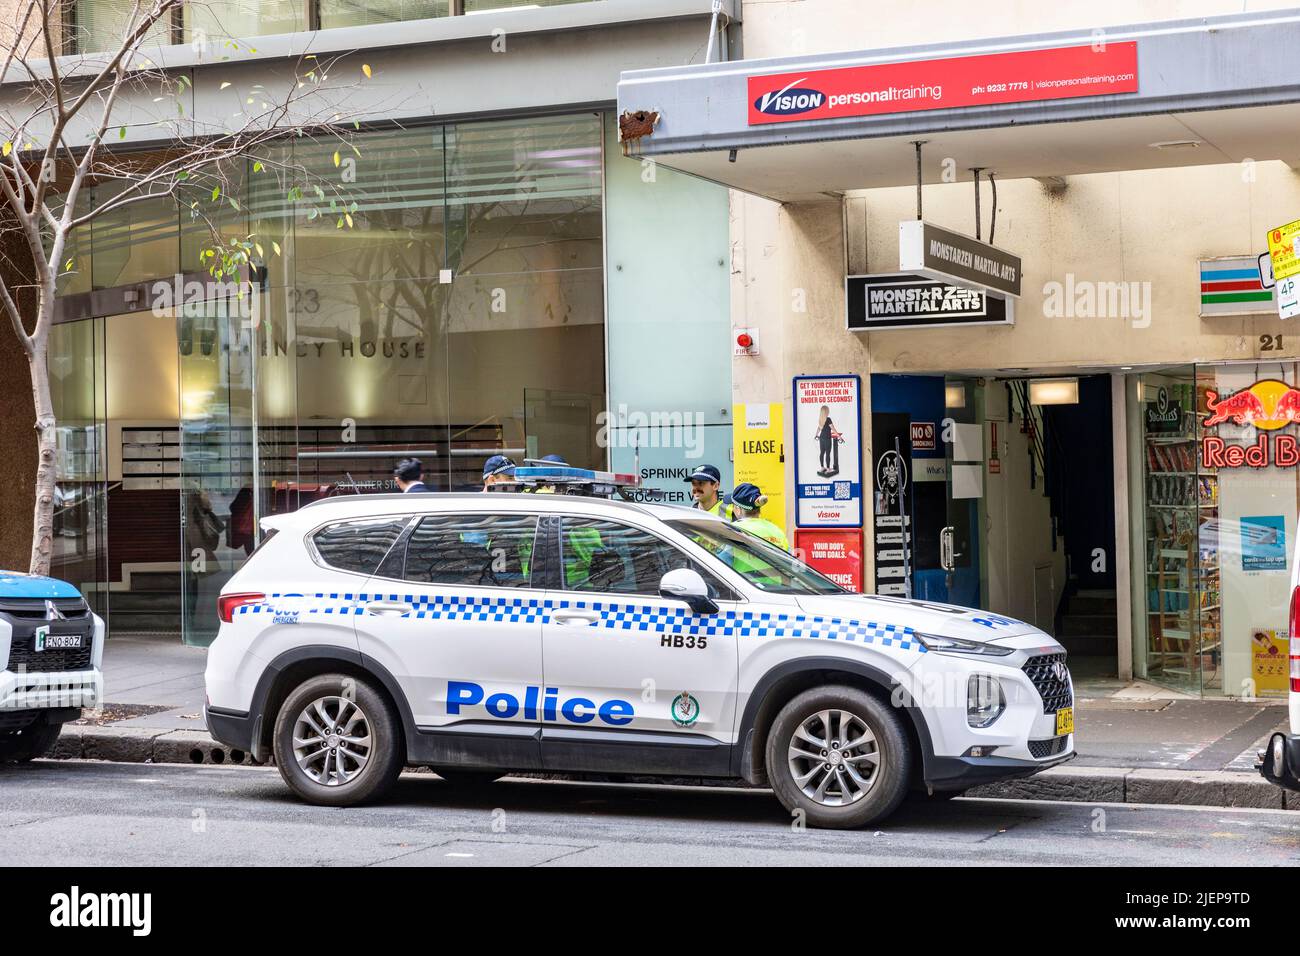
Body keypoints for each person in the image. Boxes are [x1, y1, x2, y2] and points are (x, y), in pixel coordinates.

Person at [728, 482, 789, 551]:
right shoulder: (777, 530)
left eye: (733, 506)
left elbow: (721, 558)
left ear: (738, 509)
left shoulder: (733, 530)